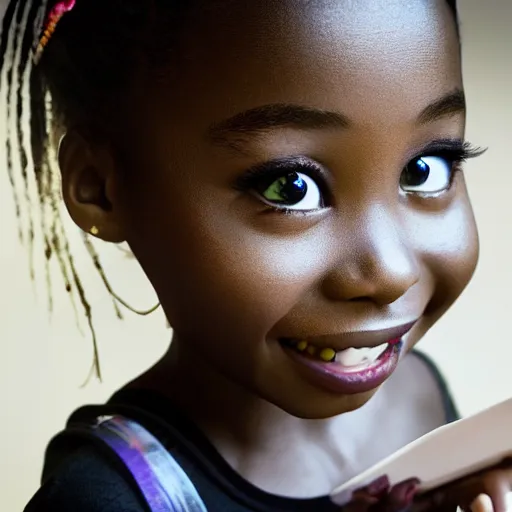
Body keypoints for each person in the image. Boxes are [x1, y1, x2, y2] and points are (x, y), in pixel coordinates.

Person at [1, 0, 510, 510]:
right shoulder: (104, 500)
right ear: (100, 187)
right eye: (290, 188)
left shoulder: (419, 396)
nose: (391, 273)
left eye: (425, 168)